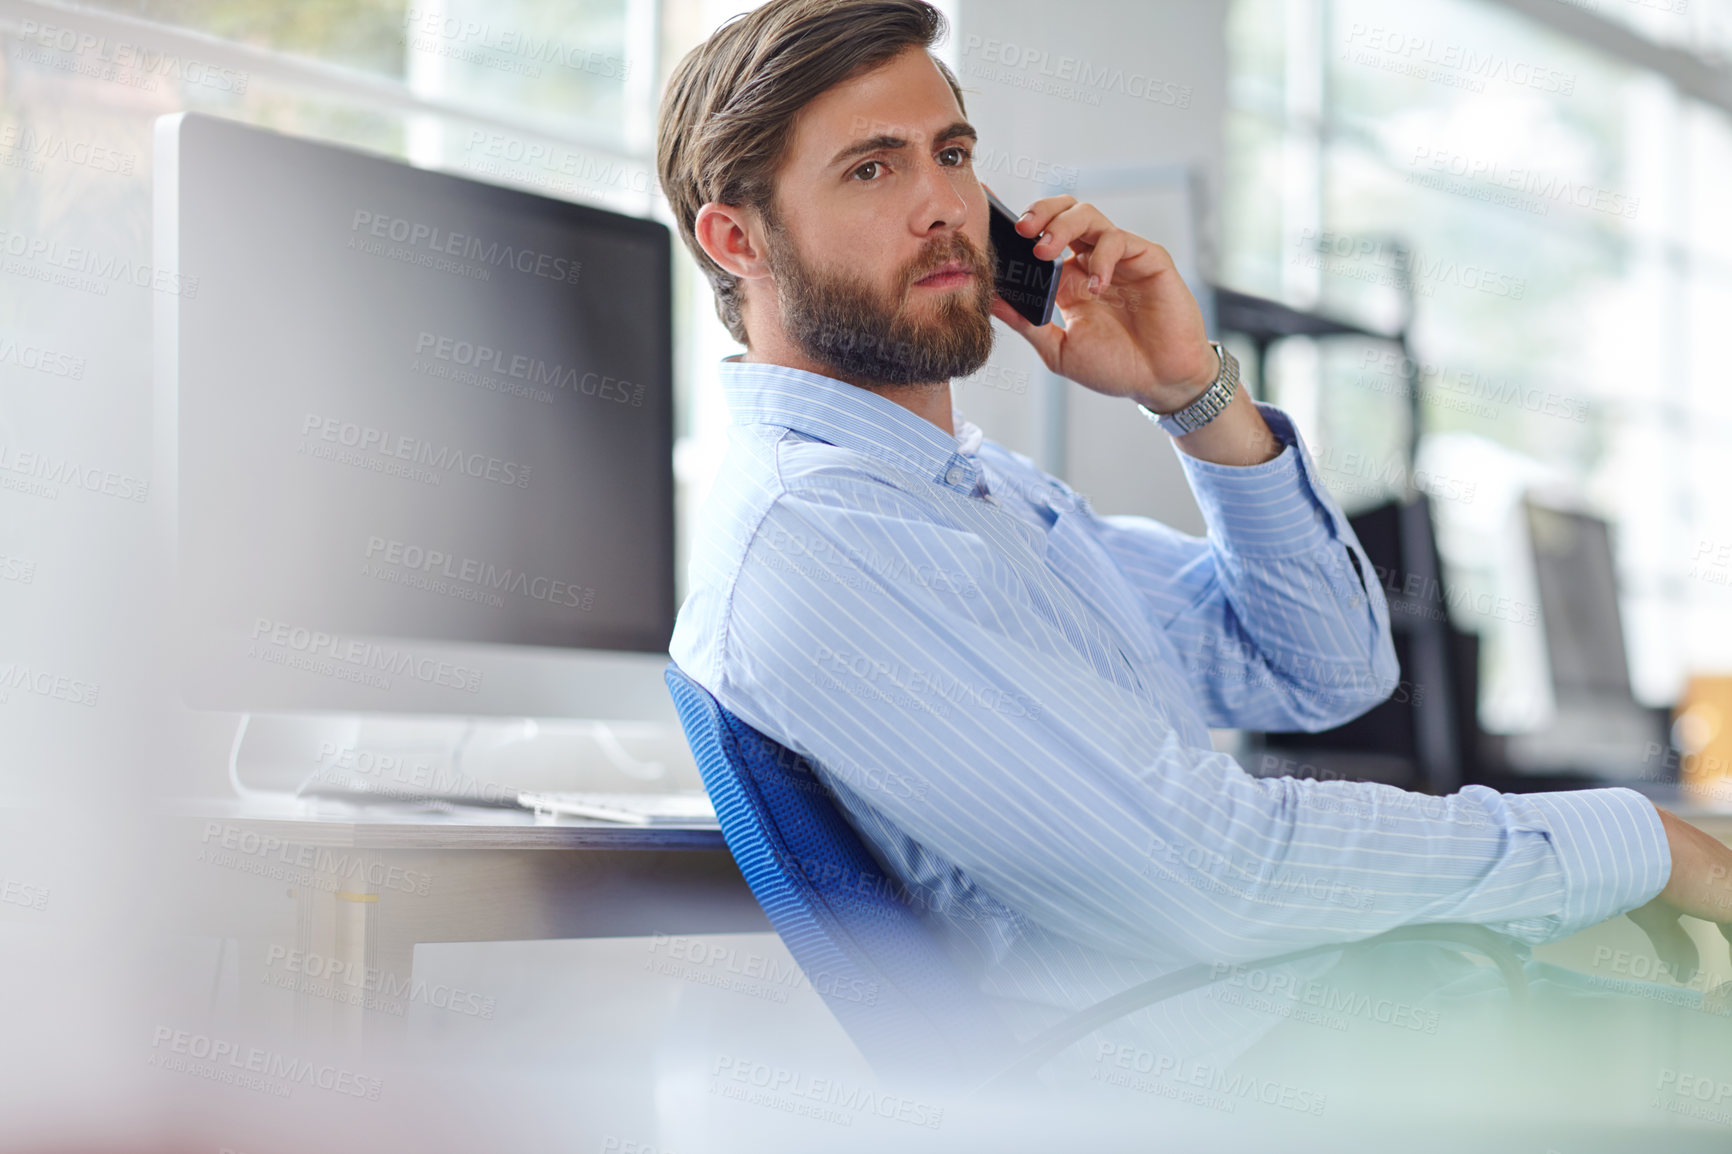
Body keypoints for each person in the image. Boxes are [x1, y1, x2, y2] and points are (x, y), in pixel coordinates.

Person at [655, 0, 1732, 1116]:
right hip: (1242, 1095)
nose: (945, 207)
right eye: (872, 171)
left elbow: (1328, 671)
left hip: (1337, 1036)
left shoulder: (968, 495)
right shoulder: (829, 538)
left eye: (954, 154)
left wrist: (1192, 397)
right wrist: (1630, 836)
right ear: (737, 239)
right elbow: (1217, 880)